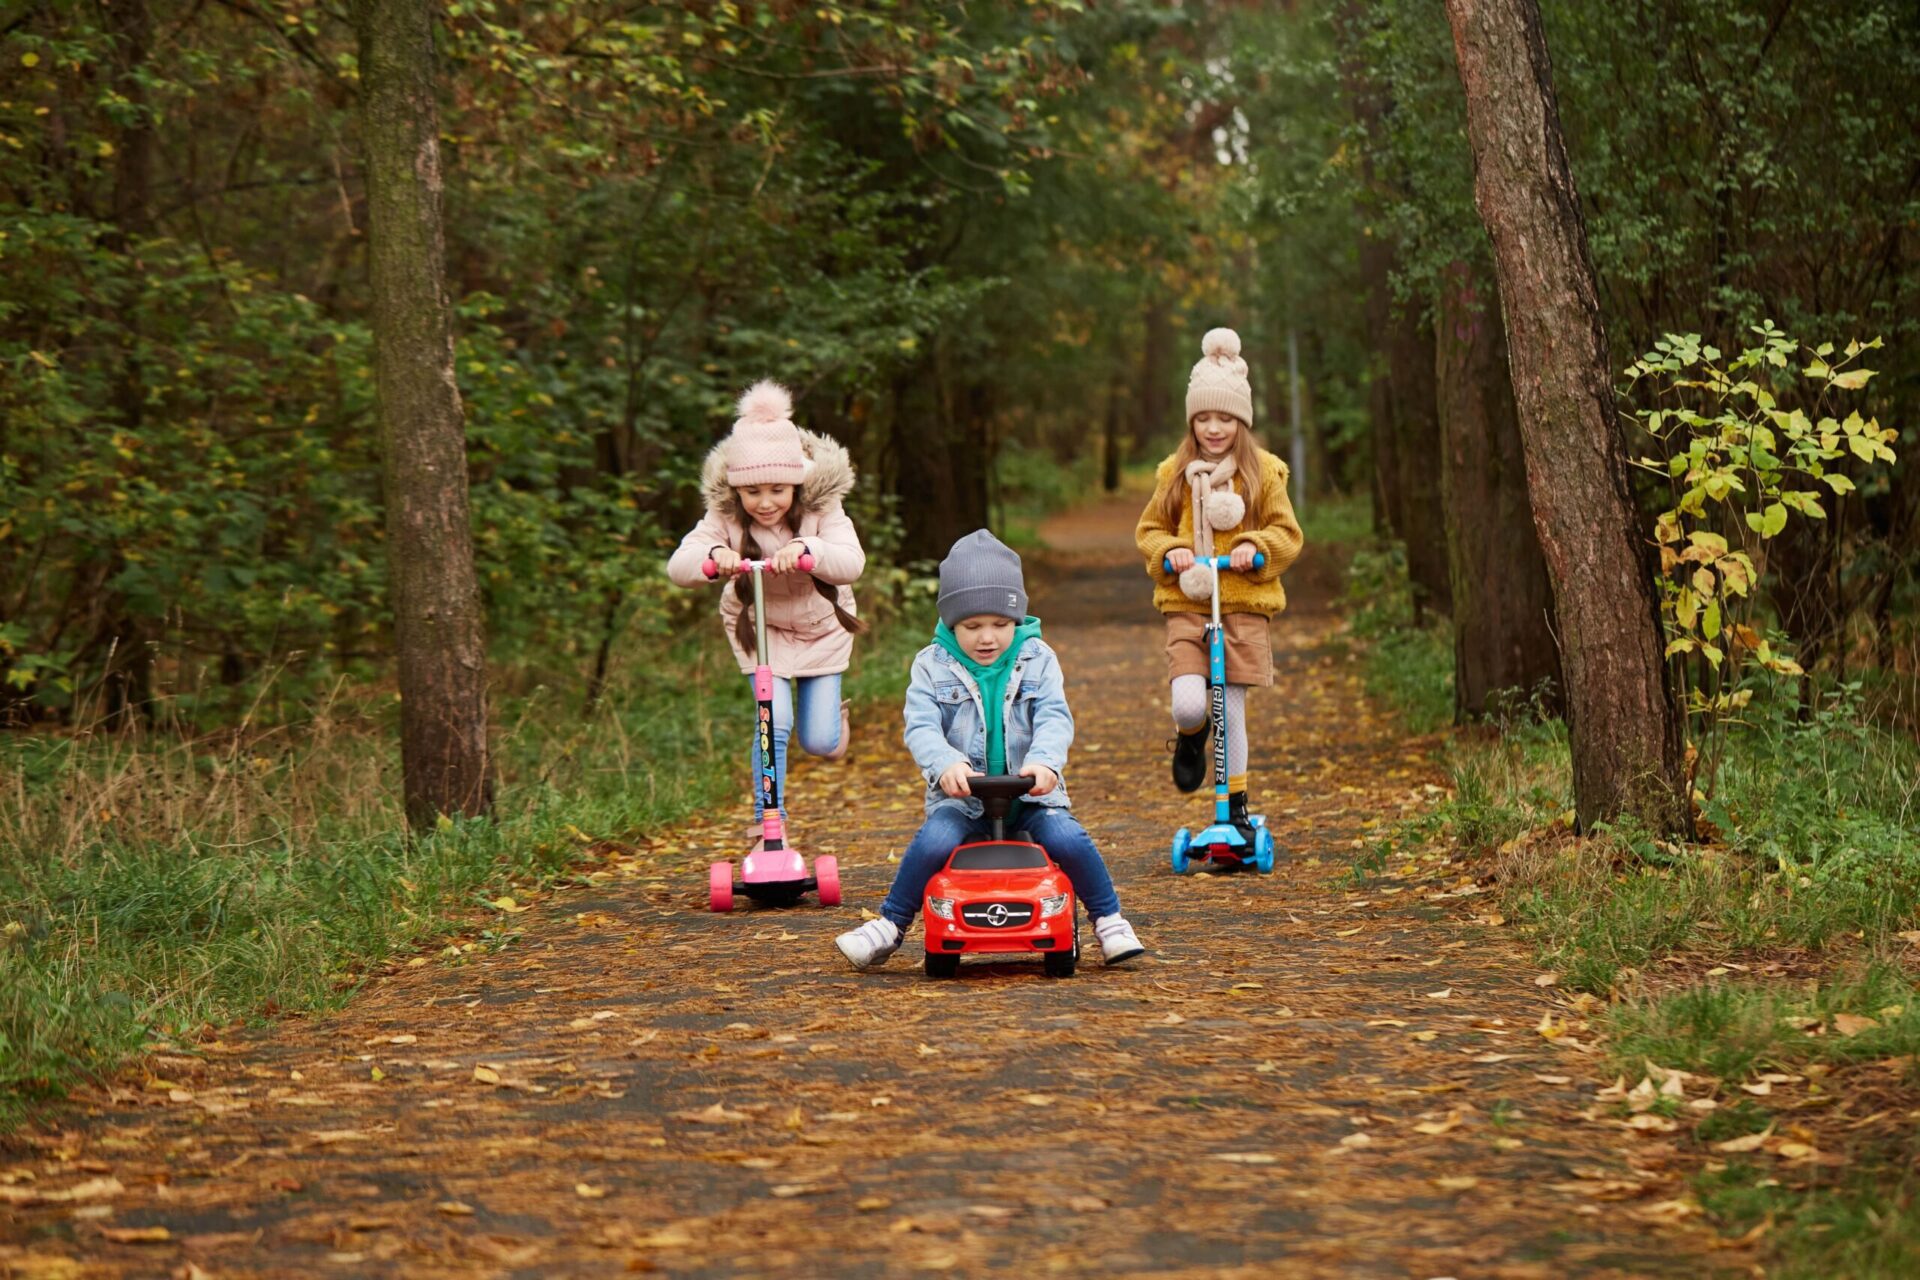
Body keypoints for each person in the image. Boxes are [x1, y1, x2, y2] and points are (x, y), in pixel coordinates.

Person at [833, 530, 1145, 970]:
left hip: (1031, 794)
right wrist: (944, 763)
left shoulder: (1037, 657)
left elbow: (1054, 716)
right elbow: (921, 726)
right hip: (962, 797)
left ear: (1016, 618)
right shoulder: (931, 664)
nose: (987, 638)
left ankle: (1110, 920)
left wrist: (1044, 762)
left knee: (1066, 837)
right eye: (972, 626)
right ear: (950, 623)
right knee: (934, 840)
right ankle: (889, 925)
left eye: (999, 624)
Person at [667, 381, 865, 853]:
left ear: (796, 483)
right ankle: (768, 830)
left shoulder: (823, 508)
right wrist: (714, 557)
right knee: (771, 722)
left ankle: (833, 724)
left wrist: (809, 550)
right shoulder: (726, 516)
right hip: (763, 635)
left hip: (821, 630)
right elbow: (680, 564)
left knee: (819, 742)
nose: (766, 502)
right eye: (753, 491)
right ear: (737, 490)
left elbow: (852, 561)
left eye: (777, 489)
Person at [1133, 328, 1304, 842]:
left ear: (1241, 421)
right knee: (1191, 702)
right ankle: (1191, 738)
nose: (1213, 428)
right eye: (1203, 418)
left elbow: (1287, 534)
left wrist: (1256, 547)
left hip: (1242, 603)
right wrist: (1171, 552)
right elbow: (1149, 531)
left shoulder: (1264, 473)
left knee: (1231, 707)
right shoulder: (1176, 473)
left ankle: (1237, 810)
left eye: (1224, 418)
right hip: (1188, 603)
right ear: (1192, 421)